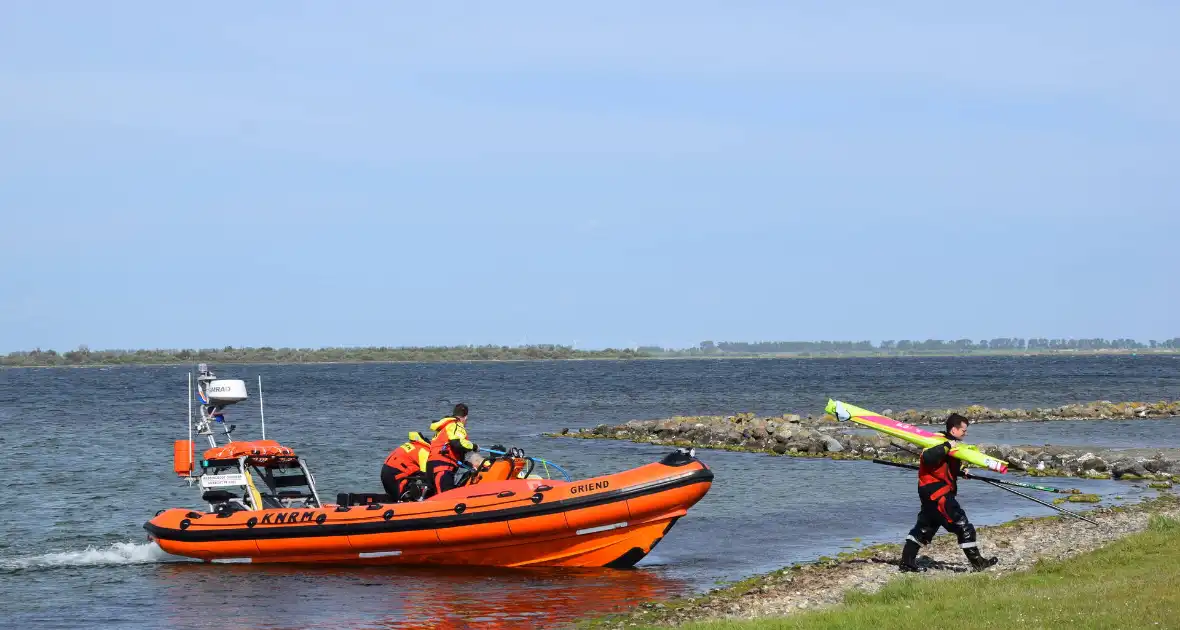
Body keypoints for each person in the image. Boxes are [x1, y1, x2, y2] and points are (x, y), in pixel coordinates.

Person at [899, 413, 999, 573]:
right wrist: (947, 446)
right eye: (963, 431)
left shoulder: (952, 444)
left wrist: (961, 471)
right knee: (962, 525)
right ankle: (978, 563)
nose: (965, 434)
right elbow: (928, 458)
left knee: (925, 527)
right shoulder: (936, 441)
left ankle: (906, 562)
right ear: (953, 430)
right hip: (937, 493)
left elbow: (945, 467)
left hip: (931, 492)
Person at [425, 403, 486, 495]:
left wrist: (467, 464)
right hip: (443, 466)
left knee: (434, 496)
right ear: (465, 417)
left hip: (430, 465)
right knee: (446, 497)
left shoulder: (443, 428)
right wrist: (474, 446)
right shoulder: (456, 425)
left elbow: (452, 449)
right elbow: (457, 443)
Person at [380, 430, 432, 501]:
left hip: (386, 470)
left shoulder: (412, 445)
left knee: (394, 498)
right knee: (403, 498)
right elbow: (426, 473)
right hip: (396, 474)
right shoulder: (424, 450)